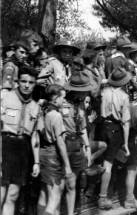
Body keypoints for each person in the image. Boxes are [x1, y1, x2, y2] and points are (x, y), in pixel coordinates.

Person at [1, 65, 40, 215]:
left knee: (13, 194)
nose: (27, 85)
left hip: (22, 150)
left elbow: (35, 136)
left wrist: (36, 162)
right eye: (24, 81)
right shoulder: (4, 98)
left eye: (31, 83)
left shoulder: (35, 107)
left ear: (35, 84)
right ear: (18, 82)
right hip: (4, 145)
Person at [95, 67, 132, 209]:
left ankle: (92, 191)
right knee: (108, 165)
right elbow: (126, 122)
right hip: (115, 129)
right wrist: (126, 143)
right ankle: (103, 197)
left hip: (101, 127)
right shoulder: (124, 96)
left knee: (98, 159)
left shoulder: (102, 92)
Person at [62, 71, 96, 215]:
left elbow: (82, 129)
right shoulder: (62, 104)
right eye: (82, 91)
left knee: (75, 182)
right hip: (64, 144)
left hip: (76, 145)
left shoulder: (81, 106)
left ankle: (73, 211)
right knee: (64, 183)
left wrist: (87, 148)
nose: (84, 94)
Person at [37, 84, 73, 215]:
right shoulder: (56, 115)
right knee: (55, 196)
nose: (63, 101)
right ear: (56, 98)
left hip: (43, 153)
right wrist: (67, 166)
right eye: (62, 98)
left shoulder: (43, 110)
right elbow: (60, 142)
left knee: (44, 193)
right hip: (53, 155)